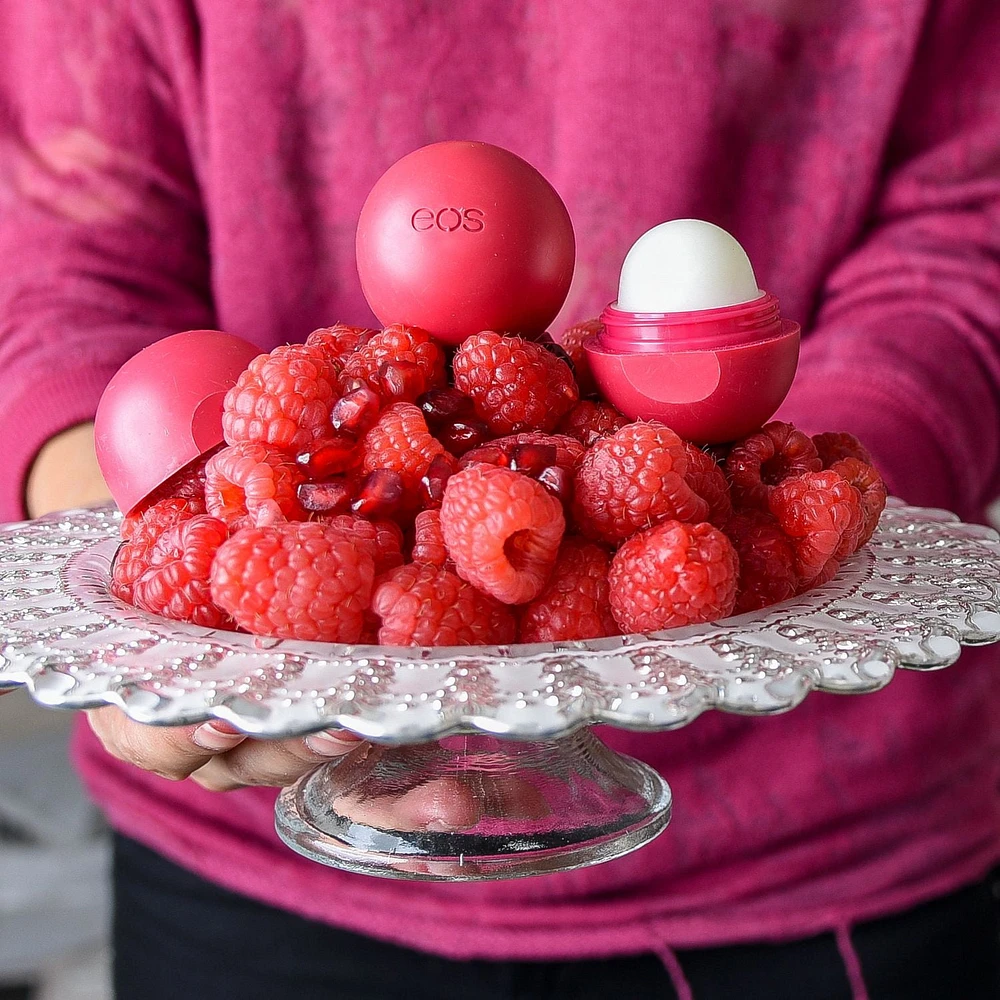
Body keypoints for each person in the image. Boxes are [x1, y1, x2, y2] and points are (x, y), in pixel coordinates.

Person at [2, 1, 999, 997]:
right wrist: (185, 607)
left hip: (815, 857)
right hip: (260, 869)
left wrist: (777, 528)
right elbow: (63, 250)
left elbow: (962, 227)